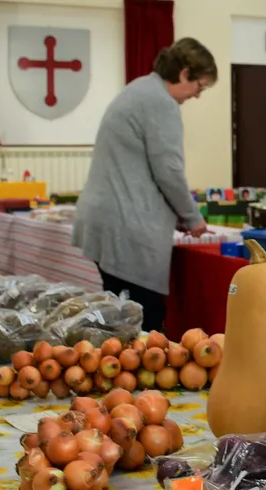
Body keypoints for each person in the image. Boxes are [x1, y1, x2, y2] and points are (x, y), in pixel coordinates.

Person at [72, 38, 215, 331]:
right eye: (200, 86)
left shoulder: (139, 88)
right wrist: (192, 217)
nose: (197, 96)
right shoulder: (161, 103)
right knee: (141, 322)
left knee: (115, 319)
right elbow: (169, 170)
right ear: (185, 73)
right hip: (127, 228)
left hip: (107, 219)